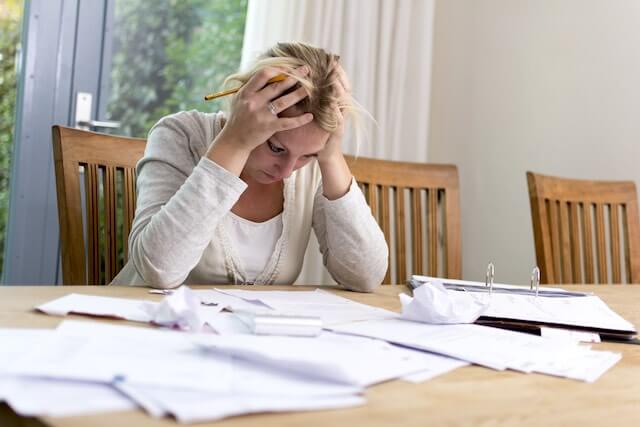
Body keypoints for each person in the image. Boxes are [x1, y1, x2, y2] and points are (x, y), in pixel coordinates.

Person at [111, 42, 388, 292]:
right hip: (146, 332)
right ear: (246, 106)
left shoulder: (314, 166)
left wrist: (329, 157)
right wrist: (235, 142)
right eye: (277, 148)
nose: (287, 171)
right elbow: (159, 270)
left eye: (308, 156)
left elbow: (365, 277)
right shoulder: (181, 134)